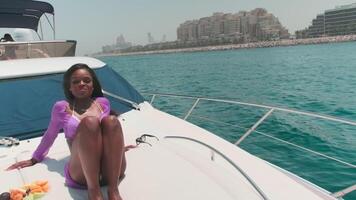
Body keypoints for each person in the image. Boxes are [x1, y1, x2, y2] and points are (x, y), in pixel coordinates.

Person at [7, 63, 129, 200]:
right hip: (83, 173)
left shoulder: (103, 103)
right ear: (69, 88)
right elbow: (50, 134)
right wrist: (35, 157)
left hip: (111, 172)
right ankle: (94, 192)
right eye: (76, 82)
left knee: (111, 121)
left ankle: (113, 191)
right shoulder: (62, 108)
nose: (81, 84)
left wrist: (120, 148)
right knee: (90, 122)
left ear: (93, 85)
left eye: (86, 80)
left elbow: (106, 133)